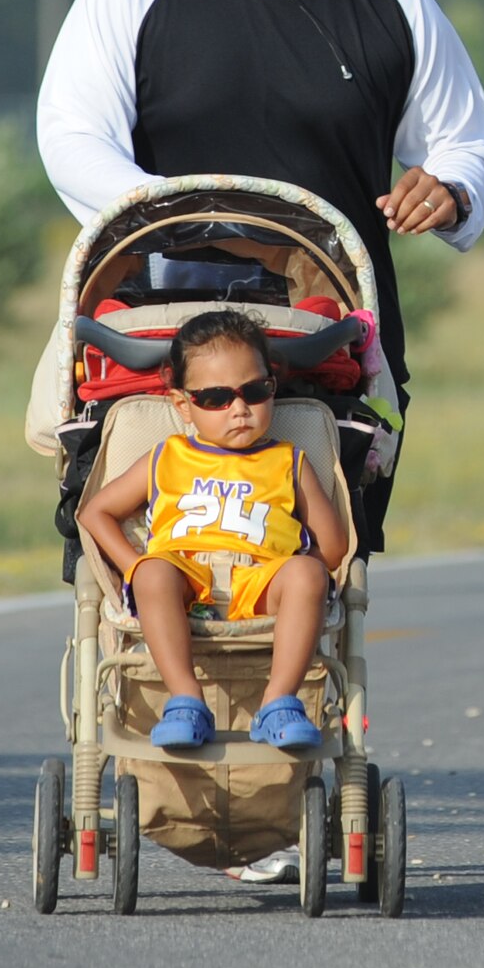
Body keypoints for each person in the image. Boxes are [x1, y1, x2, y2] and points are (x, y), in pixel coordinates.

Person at [35, 0, 484, 554]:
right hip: (161, 326)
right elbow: (72, 136)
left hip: (330, 331)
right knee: (153, 566)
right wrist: (178, 212)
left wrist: (450, 190)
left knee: (317, 571)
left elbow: (469, 142)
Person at [76, 310, 347, 751]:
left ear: (271, 387)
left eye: (255, 392)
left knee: (308, 574)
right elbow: (95, 513)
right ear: (183, 404)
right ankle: (186, 699)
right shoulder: (167, 456)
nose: (239, 409)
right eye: (216, 398)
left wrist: (298, 579)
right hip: (183, 575)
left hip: (261, 581)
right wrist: (135, 568)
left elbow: (333, 547)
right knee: (153, 573)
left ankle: (278, 701)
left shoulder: (288, 461)